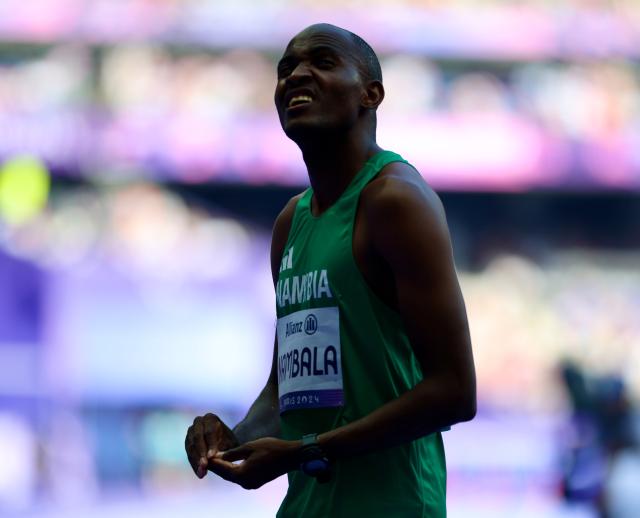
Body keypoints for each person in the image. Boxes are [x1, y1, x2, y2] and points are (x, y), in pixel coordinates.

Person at [185, 23, 476, 517]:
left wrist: (306, 450)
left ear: (371, 93)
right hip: (307, 506)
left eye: (321, 61)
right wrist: (231, 440)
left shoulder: (396, 201)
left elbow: (454, 392)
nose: (296, 75)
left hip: (393, 506)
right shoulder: (289, 224)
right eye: (285, 69)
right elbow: (285, 392)